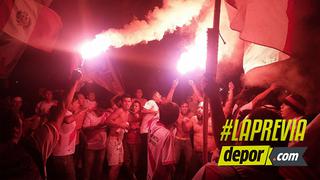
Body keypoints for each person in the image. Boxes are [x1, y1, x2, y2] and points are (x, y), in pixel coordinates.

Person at [0, 69, 82, 179]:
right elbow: (63, 107)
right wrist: (74, 80)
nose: (26, 125)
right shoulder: (32, 147)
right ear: (16, 130)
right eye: (22, 124)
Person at [147, 102, 180, 180]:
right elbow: (168, 164)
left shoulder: (153, 124)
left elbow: (164, 109)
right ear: (175, 118)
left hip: (150, 173)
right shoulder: (167, 135)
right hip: (159, 176)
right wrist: (173, 171)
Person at [106, 94, 132, 180]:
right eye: (125, 101)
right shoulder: (119, 110)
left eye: (129, 101)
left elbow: (126, 125)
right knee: (114, 166)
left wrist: (127, 126)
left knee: (119, 165)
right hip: (113, 140)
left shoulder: (128, 113)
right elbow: (108, 120)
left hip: (120, 141)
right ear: (122, 102)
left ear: (131, 102)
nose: (127, 103)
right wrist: (120, 124)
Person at [140, 91, 162, 179]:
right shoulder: (151, 102)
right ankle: (142, 175)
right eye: (158, 95)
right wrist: (155, 111)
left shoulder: (156, 104)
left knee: (148, 154)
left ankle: (147, 174)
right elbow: (143, 110)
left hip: (149, 132)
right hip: (146, 131)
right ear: (154, 96)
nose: (160, 96)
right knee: (145, 154)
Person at [174, 101, 193, 180]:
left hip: (187, 140)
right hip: (178, 140)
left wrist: (194, 87)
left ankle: (186, 177)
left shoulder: (191, 116)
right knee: (175, 161)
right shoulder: (177, 116)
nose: (184, 108)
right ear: (180, 108)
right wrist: (173, 88)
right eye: (183, 106)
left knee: (189, 161)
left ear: (188, 108)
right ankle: (172, 176)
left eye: (186, 106)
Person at [124, 100, 143, 179]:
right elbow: (125, 125)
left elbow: (142, 127)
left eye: (137, 106)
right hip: (127, 140)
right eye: (134, 105)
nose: (135, 107)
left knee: (135, 161)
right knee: (127, 160)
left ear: (139, 108)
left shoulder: (142, 116)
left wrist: (136, 127)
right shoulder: (128, 114)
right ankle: (129, 175)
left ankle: (134, 175)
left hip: (136, 141)